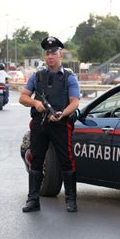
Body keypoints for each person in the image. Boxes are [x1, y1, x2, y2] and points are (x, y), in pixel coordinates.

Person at [19, 36, 80, 213]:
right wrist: (35, 104)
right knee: (36, 160)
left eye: (53, 53)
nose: (50, 56)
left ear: (60, 54)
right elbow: (23, 97)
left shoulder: (69, 77)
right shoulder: (37, 76)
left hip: (60, 123)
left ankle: (71, 200)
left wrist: (62, 114)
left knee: (66, 160)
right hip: (40, 123)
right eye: (47, 53)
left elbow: (75, 102)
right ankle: (33, 200)